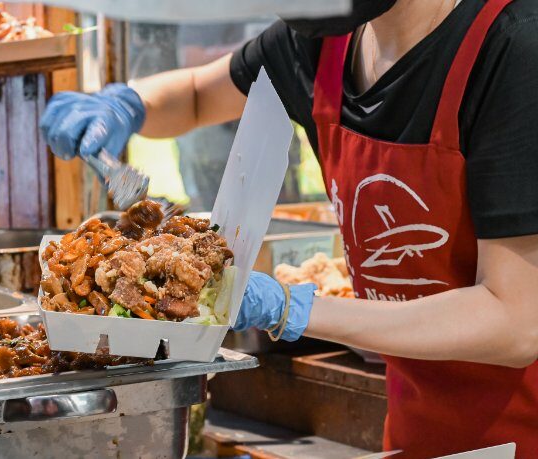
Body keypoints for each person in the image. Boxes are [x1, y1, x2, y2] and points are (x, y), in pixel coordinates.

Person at [39, 0, 538, 457]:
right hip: (418, 422)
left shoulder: (515, 48)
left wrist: (291, 308)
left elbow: (515, 321)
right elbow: (194, 95)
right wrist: (127, 104)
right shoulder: (327, 44)